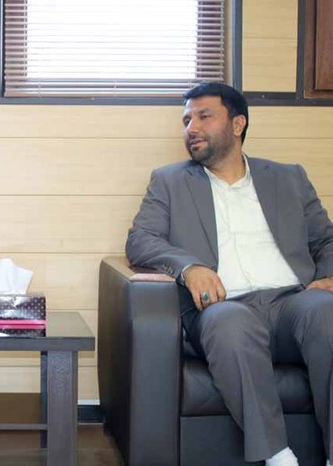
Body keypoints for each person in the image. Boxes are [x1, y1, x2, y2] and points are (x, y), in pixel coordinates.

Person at [126, 82, 333, 466]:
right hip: (222, 306)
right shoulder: (169, 181)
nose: (191, 127)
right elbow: (141, 240)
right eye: (187, 120)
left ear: (238, 124)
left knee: (327, 312)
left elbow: (326, 240)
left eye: (204, 116)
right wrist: (189, 267)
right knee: (230, 323)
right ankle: (279, 457)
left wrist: (328, 276)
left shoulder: (289, 178)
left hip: (291, 304)